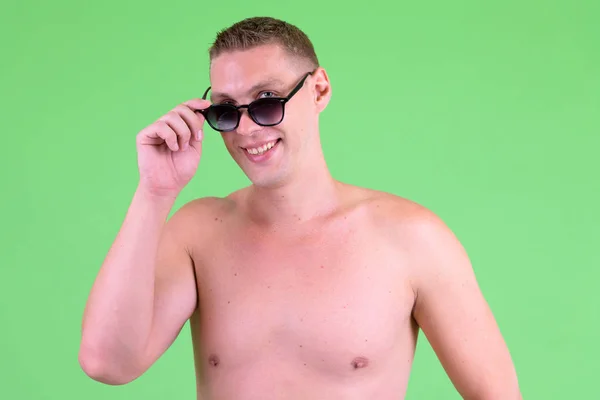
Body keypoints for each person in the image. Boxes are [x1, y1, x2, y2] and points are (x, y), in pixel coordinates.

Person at [78, 16, 521, 400]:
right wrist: (155, 192)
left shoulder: (411, 238)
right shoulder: (198, 232)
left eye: (267, 101)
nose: (247, 129)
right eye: (227, 111)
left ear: (320, 90)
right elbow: (107, 364)